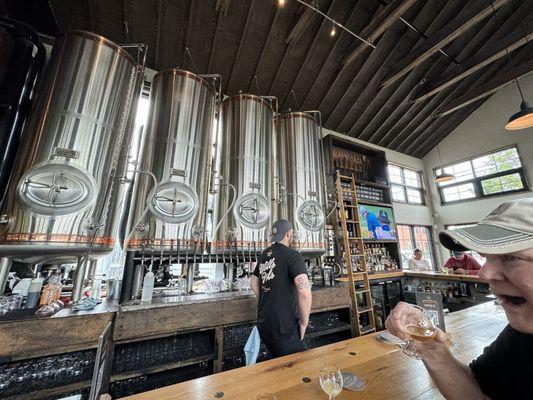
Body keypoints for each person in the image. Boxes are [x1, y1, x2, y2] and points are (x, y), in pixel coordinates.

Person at [386, 198, 533, 400]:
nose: (485, 273)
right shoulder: (520, 337)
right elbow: (476, 393)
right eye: (486, 258)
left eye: (511, 257)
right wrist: (431, 348)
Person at [250, 219, 312, 358]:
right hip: (285, 326)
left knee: (278, 362)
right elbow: (304, 292)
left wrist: (266, 299)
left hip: (265, 322)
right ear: (289, 233)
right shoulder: (293, 256)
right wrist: (304, 322)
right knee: (297, 365)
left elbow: (253, 282)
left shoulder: (264, 254)